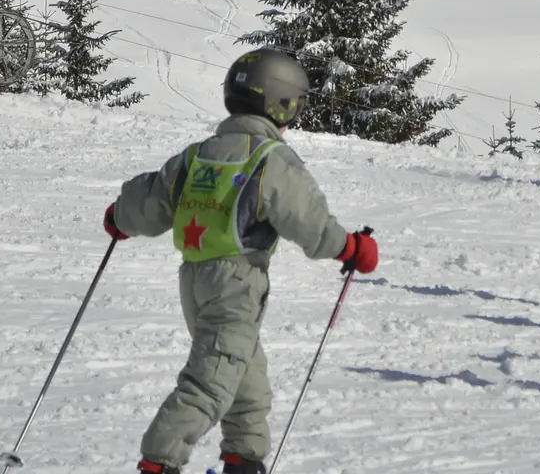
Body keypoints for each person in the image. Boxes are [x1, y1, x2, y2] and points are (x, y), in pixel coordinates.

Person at [107, 49, 378, 474]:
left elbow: (153, 199)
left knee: (245, 378)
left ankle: (244, 459)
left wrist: (120, 216)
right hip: (236, 283)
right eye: (296, 104)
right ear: (280, 103)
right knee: (210, 382)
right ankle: (158, 464)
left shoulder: (200, 154)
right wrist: (351, 248)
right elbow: (309, 220)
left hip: (196, 280)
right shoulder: (270, 157)